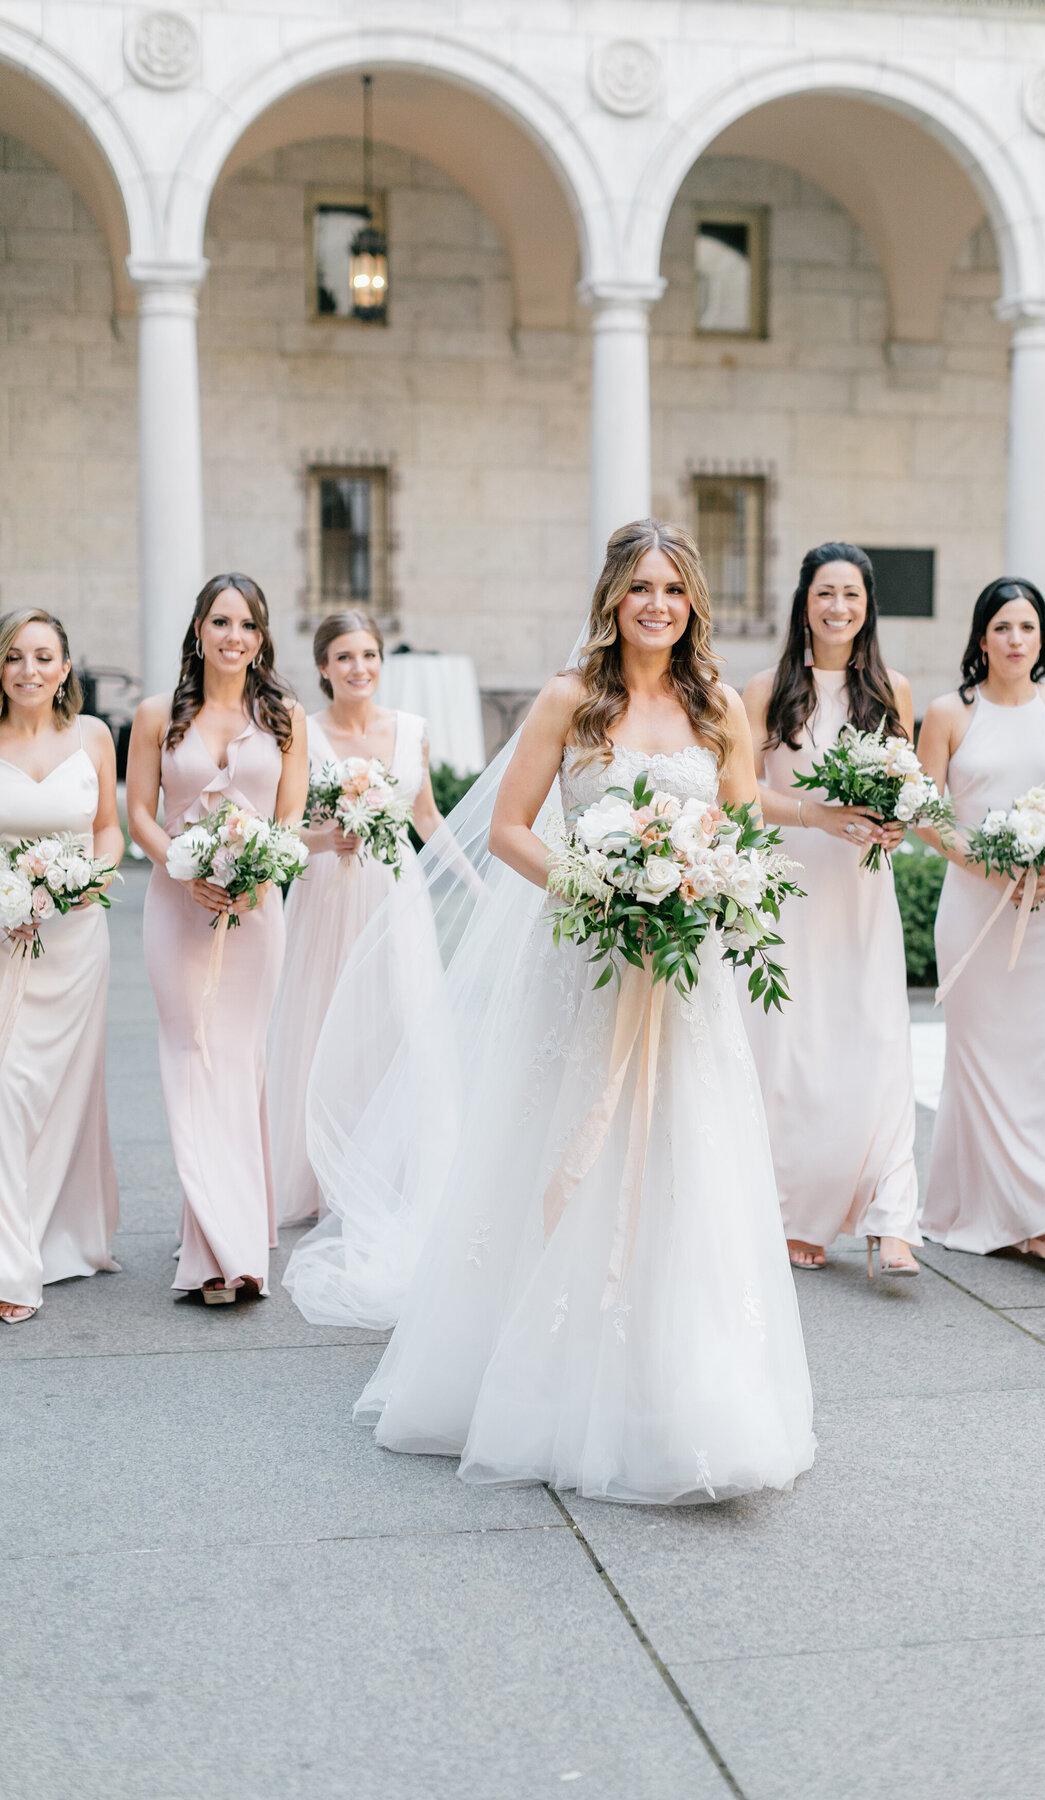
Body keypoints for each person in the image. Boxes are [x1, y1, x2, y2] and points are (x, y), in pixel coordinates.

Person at [288, 520, 815, 1504]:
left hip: (685, 964)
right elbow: (508, 829)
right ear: (613, 599)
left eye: (673, 589)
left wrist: (701, 885)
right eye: (639, 588)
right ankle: (542, 1372)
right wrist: (599, 881)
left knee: (679, 1156)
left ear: (692, 602)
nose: (656, 604)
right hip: (587, 952)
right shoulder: (573, 701)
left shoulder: (719, 710)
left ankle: (686, 1389)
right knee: (572, 1137)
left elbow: (740, 830)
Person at [741, 542, 921, 1279]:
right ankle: (796, 1212)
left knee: (875, 1040)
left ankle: (892, 1217)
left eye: (851, 593)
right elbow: (737, 793)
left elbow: (909, 786)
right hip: (790, 887)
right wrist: (815, 813)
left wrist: (895, 820)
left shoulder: (893, 690)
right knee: (796, 1052)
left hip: (862, 890)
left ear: (868, 603)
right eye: (825, 593)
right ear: (804, 602)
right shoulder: (764, 689)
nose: (838, 607)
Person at [126, 574, 307, 1304]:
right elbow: (139, 810)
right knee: (190, 1061)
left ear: (262, 639)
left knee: (235, 1064)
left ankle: (221, 1235)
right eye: (221, 621)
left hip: (257, 913)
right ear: (199, 630)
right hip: (177, 911)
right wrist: (179, 866)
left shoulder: (287, 716)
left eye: (249, 625)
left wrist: (264, 872)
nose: (235, 636)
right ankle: (217, 1248)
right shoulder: (153, 716)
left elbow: (290, 817)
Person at [916, 579, 1045, 1263]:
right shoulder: (948, 712)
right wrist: (991, 867)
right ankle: (1012, 1214)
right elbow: (926, 814)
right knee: (983, 1058)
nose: (1016, 640)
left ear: (1042, 636)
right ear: (980, 638)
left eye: (1027, 627)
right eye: (1002, 628)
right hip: (974, 903)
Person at [266, 610, 443, 1226]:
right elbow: (284, 826)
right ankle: (315, 1171)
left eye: (368, 655)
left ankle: (387, 1168)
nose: (358, 668)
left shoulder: (412, 729)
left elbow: (426, 819)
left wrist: (484, 885)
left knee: (395, 1021)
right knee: (319, 1021)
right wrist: (325, 839)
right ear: (323, 667)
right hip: (325, 892)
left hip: (395, 892)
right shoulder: (302, 734)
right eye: (344, 657)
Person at [0, 608, 121, 1323]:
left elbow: (108, 828)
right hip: (5, 937)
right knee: (11, 1089)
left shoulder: (94, 737)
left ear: (66, 666)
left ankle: (52, 1234)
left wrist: (85, 884)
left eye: (43, 656)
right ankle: (12, 1263)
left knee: (60, 1094)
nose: (29, 670)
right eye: (14, 656)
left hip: (77, 943)